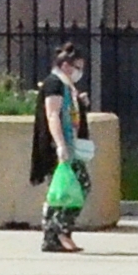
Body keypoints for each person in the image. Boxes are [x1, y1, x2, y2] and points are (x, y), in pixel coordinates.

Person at [31, 45, 92, 253]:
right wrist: (60, 145)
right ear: (65, 65)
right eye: (76, 67)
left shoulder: (66, 86)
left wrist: (81, 104)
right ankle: (60, 231)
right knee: (74, 187)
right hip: (59, 147)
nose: (79, 72)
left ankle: (54, 235)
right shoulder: (54, 84)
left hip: (70, 145)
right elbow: (52, 115)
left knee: (61, 191)